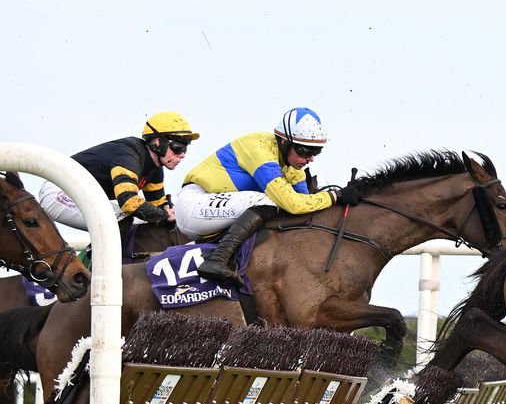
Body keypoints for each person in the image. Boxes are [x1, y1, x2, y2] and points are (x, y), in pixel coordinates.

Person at [175, 107, 359, 286]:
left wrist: (338, 199)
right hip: (193, 205)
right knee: (271, 201)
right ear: (283, 142)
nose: (310, 158)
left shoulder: (292, 167)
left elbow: (305, 207)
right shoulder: (260, 150)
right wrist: (335, 196)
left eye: (316, 151)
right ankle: (217, 260)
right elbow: (293, 204)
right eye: (305, 150)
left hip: (217, 212)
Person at [37, 111, 199, 231]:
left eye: (185, 148)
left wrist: (169, 212)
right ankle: (93, 270)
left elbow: (158, 206)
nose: (182, 155)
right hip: (58, 192)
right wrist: (164, 215)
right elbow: (128, 203)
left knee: (144, 221)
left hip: (81, 195)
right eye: (178, 147)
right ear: (158, 142)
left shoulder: (155, 168)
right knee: (116, 220)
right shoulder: (129, 156)